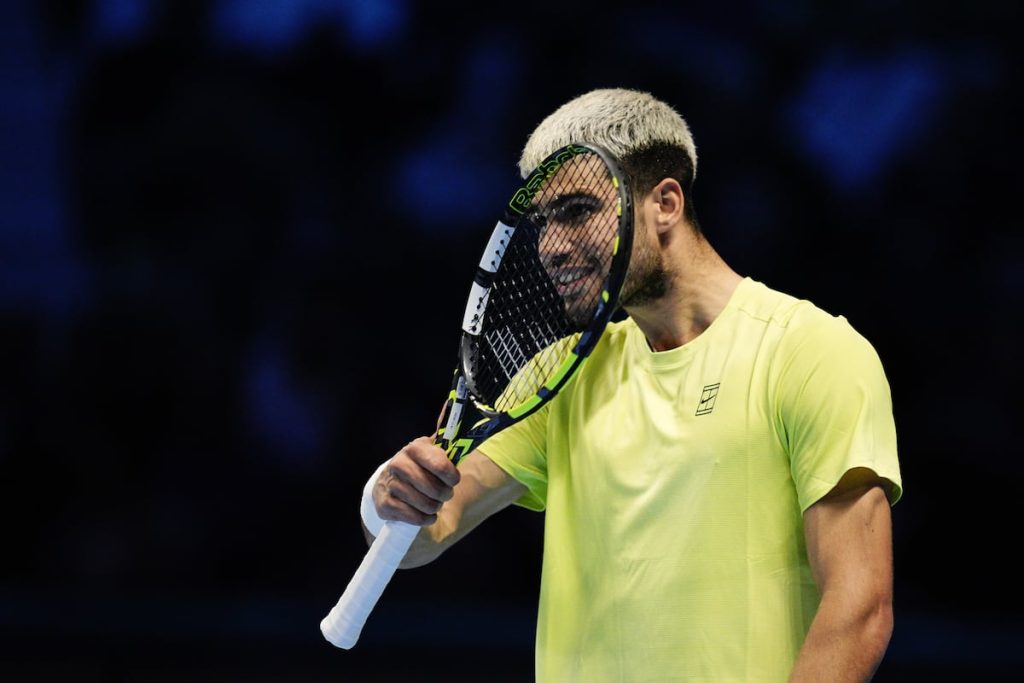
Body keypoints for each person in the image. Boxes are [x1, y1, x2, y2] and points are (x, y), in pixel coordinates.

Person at [360, 87, 903, 682]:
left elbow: (858, 610)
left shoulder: (810, 351)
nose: (550, 247)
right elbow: (425, 535)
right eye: (541, 223)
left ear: (665, 203)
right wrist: (390, 497)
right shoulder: (561, 376)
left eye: (576, 211)